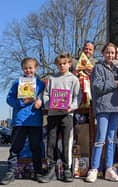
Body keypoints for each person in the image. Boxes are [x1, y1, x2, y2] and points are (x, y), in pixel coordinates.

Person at [85, 42, 118, 183]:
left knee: (111, 139)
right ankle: (94, 168)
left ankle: (109, 168)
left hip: (116, 107)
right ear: (103, 53)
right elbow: (96, 87)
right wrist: (115, 84)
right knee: (100, 138)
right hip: (103, 106)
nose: (110, 55)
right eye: (108, 52)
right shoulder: (98, 67)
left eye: (113, 53)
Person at [0, 57, 45, 185]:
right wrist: (22, 102)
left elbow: (46, 98)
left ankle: (38, 172)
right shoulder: (17, 82)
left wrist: (41, 102)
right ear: (22, 69)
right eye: (26, 68)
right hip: (20, 121)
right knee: (15, 148)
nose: (28, 70)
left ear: (36, 68)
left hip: (35, 121)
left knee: (36, 148)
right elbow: (9, 100)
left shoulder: (41, 84)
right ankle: (11, 172)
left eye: (31, 67)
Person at [39, 53, 81, 183]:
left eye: (65, 63)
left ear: (69, 64)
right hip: (52, 115)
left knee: (66, 142)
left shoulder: (74, 79)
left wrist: (71, 107)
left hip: (67, 115)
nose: (62, 66)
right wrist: (48, 104)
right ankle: (50, 169)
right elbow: (45, 95)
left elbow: (77, 97)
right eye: (60, 64)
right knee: (51, 142)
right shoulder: (51, 78)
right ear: (57, 65)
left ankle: (66, 169)